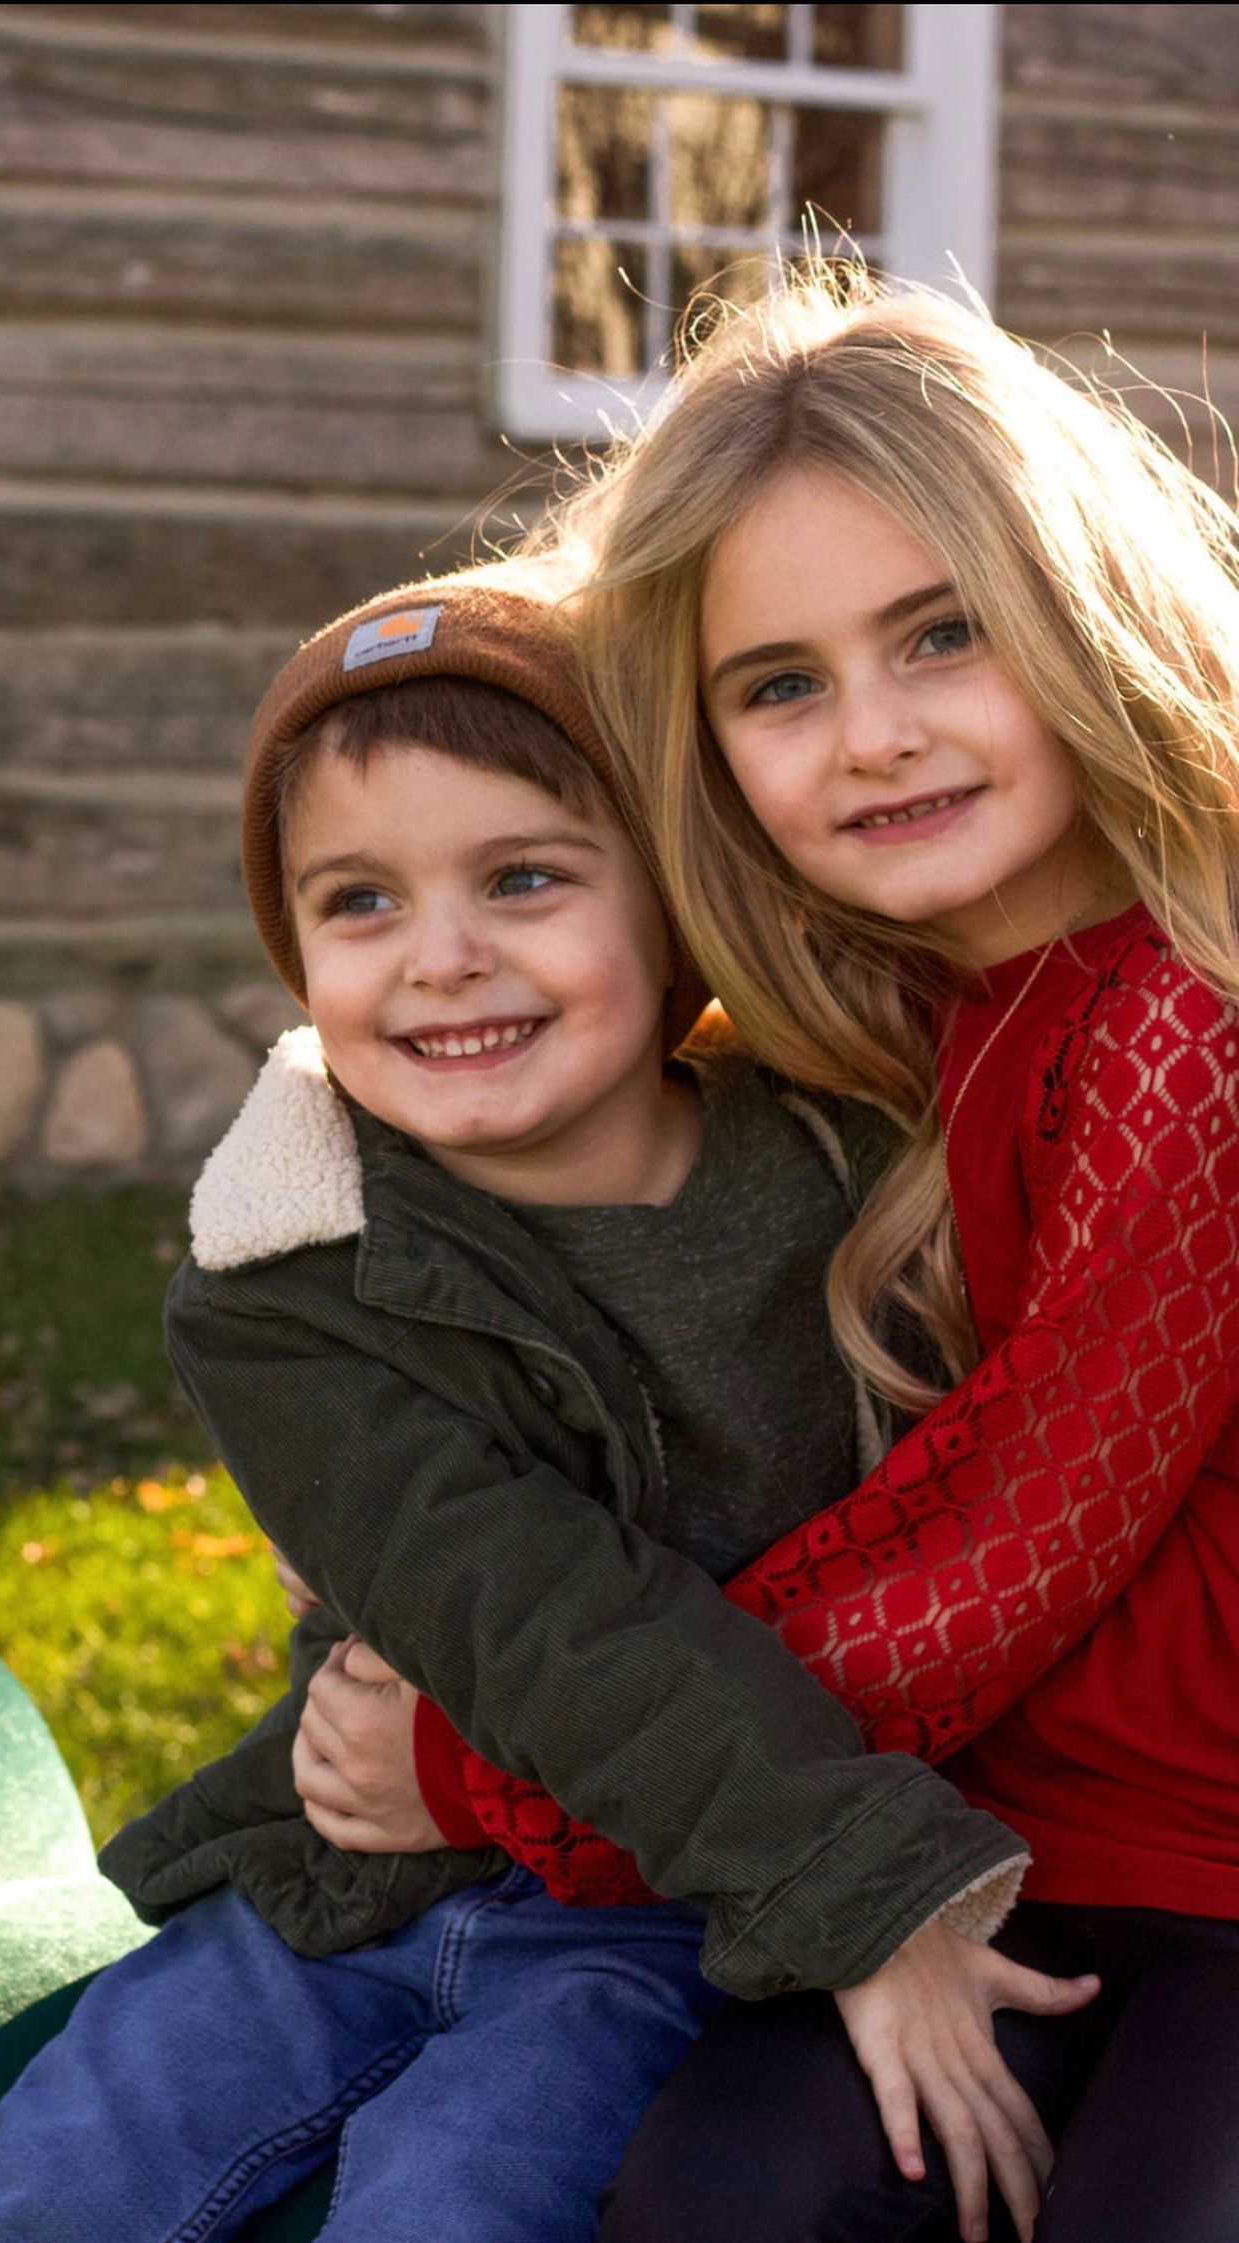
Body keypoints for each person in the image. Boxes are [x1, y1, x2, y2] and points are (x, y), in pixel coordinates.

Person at [0, 570, 1039, 2243]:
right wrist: (867, 1903)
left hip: (660, 1905)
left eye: (522, 879)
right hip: (344, 1873)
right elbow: (532, 1613)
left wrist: (843, 1893)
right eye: (358, 903)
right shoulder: (287, 1288)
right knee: (75, 2164)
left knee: (466, 2193)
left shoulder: (855, 1182)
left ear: (673, 900)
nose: (443, 960)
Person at [520, 269, 1239, 2242]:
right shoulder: (905, 1027)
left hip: (1206, 1859)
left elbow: (989, 1553)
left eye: (940, 635)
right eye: (778, 683)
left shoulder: (1192, 1010)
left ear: (1074, 608)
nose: (874, 735)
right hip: (1004, 1842)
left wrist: (492, 1762)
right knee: (718, 2204)